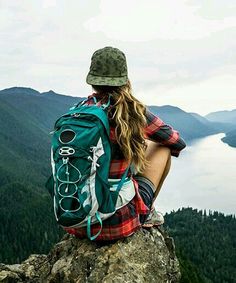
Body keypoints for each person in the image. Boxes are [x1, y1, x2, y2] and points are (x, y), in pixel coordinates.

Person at [66, 46, 186, 241]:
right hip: (118, 222)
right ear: (124, 79)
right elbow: (176, 142)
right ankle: (146, 212)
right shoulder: (132, 111)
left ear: (92, 81)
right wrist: (141, 138)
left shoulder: (77, 112)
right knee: (162, 148)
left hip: (78, 222)